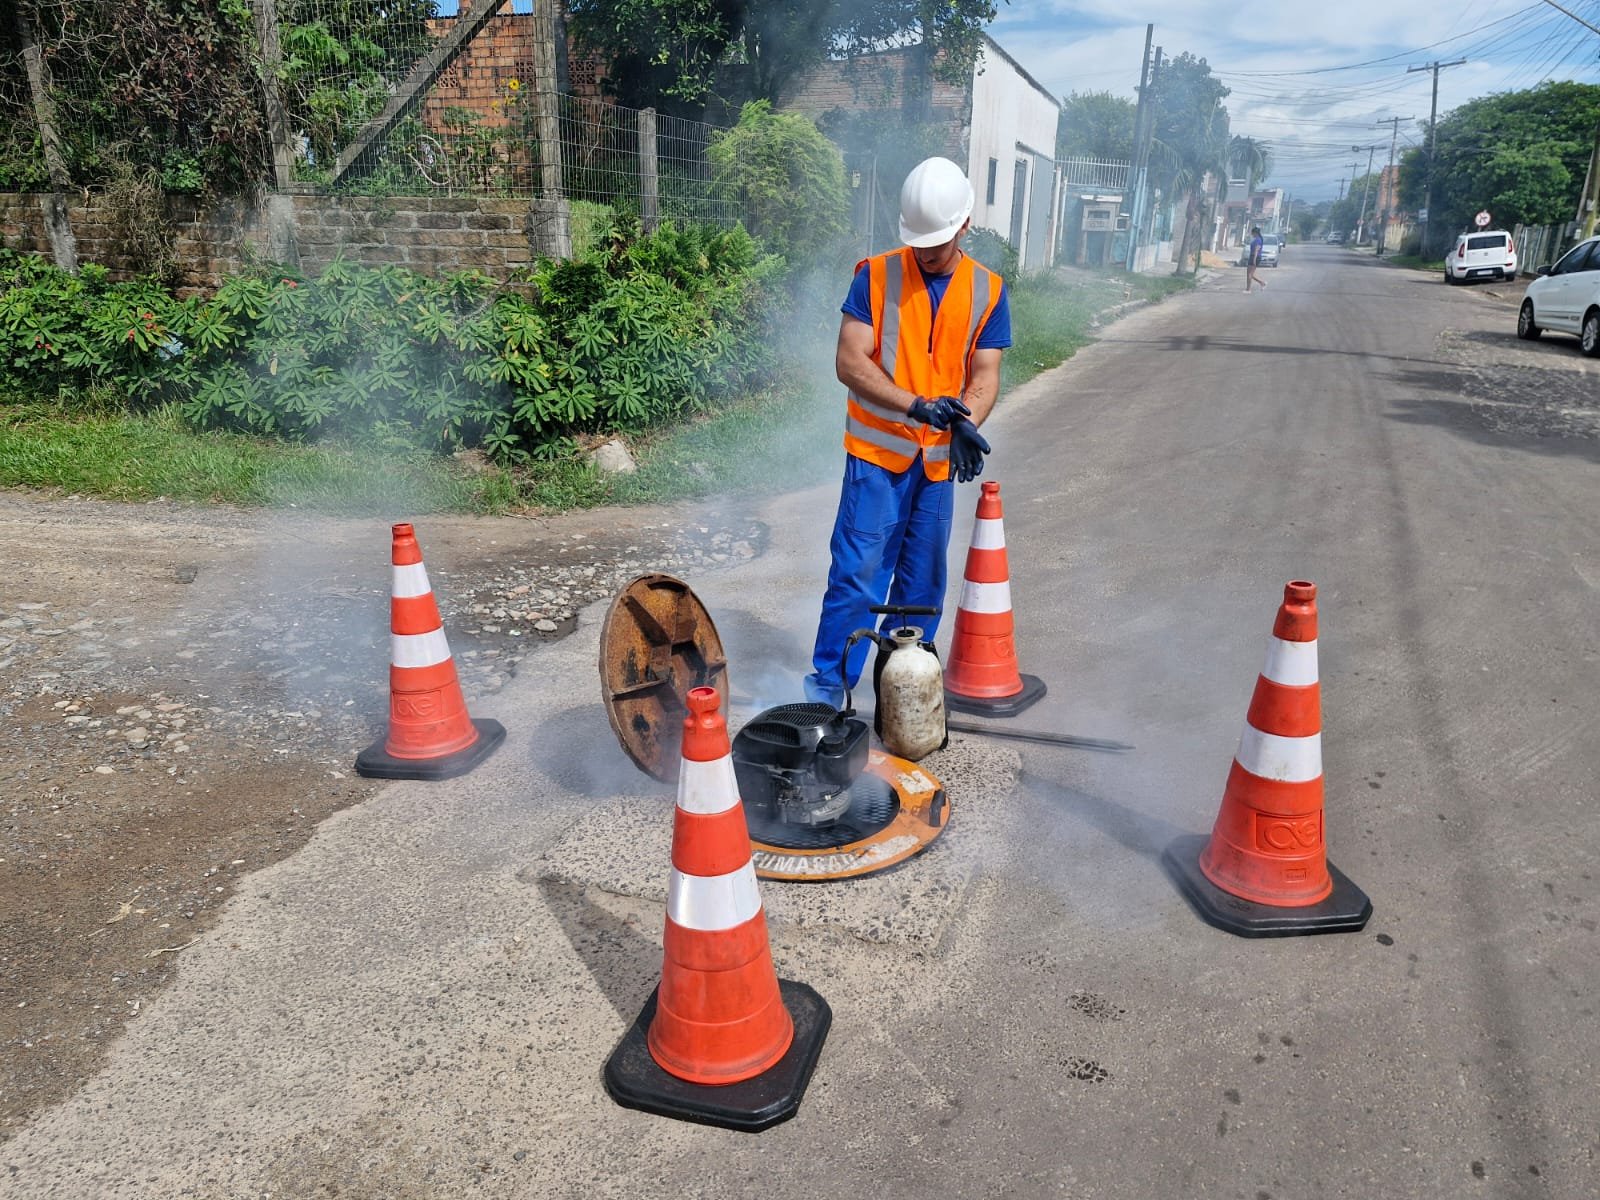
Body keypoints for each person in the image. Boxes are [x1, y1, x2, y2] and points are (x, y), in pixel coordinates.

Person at [802, 156, 1011, 707]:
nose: (925, 253)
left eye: (936, 244)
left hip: (937, 467)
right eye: (918, 243)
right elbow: (851, 362)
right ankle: (828, 697)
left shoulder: (988, 290)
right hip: (877, 457)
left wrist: (966, 420)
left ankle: (901, 703)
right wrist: (917, 406)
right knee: (858, 578)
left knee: (920, 591)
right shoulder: (875, 274)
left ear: (964, 225)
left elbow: (984, 376)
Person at [1245, 226, 1267, 292]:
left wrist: (1254, 259)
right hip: (1252, 256)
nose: (1252, 234)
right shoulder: (1257, 239)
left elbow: (1256, 250)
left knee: (1250, 274)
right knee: (1249, 274)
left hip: (1255, 257)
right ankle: (1260, 283)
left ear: (1255, 233)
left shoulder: (1258, 240)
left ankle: (1250, 288)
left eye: (1252, 233)